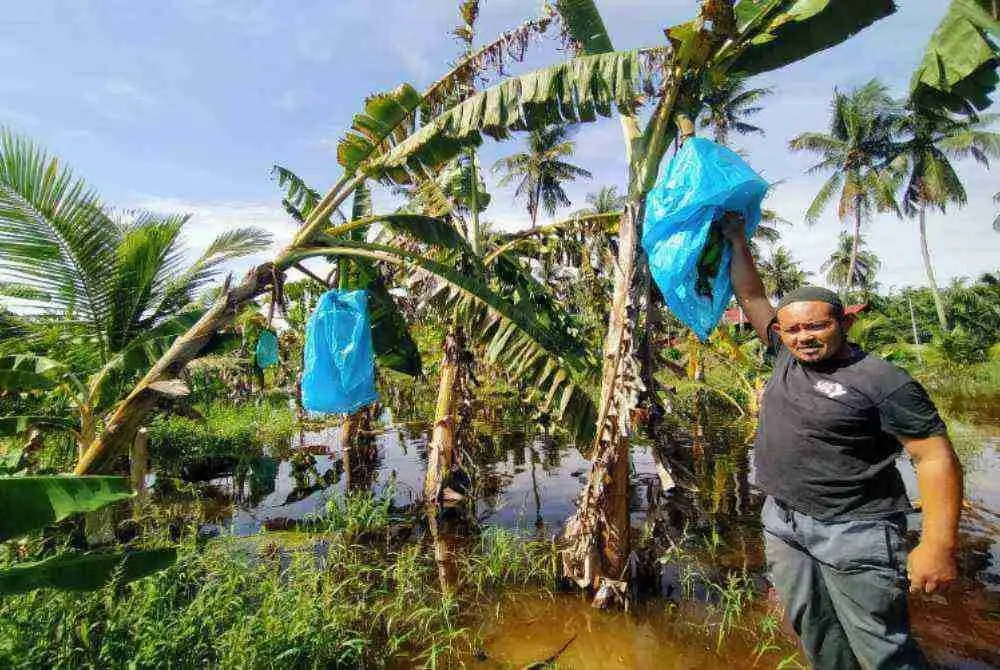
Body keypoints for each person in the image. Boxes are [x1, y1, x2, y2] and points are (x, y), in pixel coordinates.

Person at [722, 218, 962, 670]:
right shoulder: (783, 356)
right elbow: (751, 296)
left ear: (843, 322)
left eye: (816, 327)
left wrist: (938, 544)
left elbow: (934, 455)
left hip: (855, 530)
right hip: (784, 522)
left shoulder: (881, 380)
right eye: (792, 331)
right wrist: (737, 239)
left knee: (882, 649)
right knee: (817, 634)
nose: (803, 338)